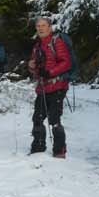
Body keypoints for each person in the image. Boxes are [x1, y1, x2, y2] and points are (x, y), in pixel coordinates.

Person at [27, 17, 72, 157]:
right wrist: (32, 67)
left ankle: (59, 150)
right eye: (38, 26)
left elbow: (66, 63)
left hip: (58, 86)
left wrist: (50, 73)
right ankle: (38, 147)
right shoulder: (37, 46)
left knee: (54, 118)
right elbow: (36, 70)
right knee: (37, 118)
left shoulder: (56, 42)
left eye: (43, 25)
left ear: (49, 27)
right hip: (42, 87)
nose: (40, 28)